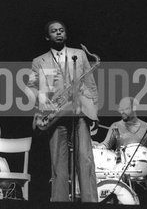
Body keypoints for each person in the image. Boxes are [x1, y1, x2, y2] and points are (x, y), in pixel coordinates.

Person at [25, 20, 98, 202]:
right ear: (47, 37)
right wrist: (42, 97)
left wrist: (94, 112)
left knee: (85, 160)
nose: (58, 33)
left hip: (80, 111)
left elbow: (91, 85)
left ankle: (90, 202)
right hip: (56, 113)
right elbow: (30, 88)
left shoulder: (79, 55)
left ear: (65, 34)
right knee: (58, 164)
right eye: (54, 31)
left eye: (61, 30)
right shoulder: (38, 61)